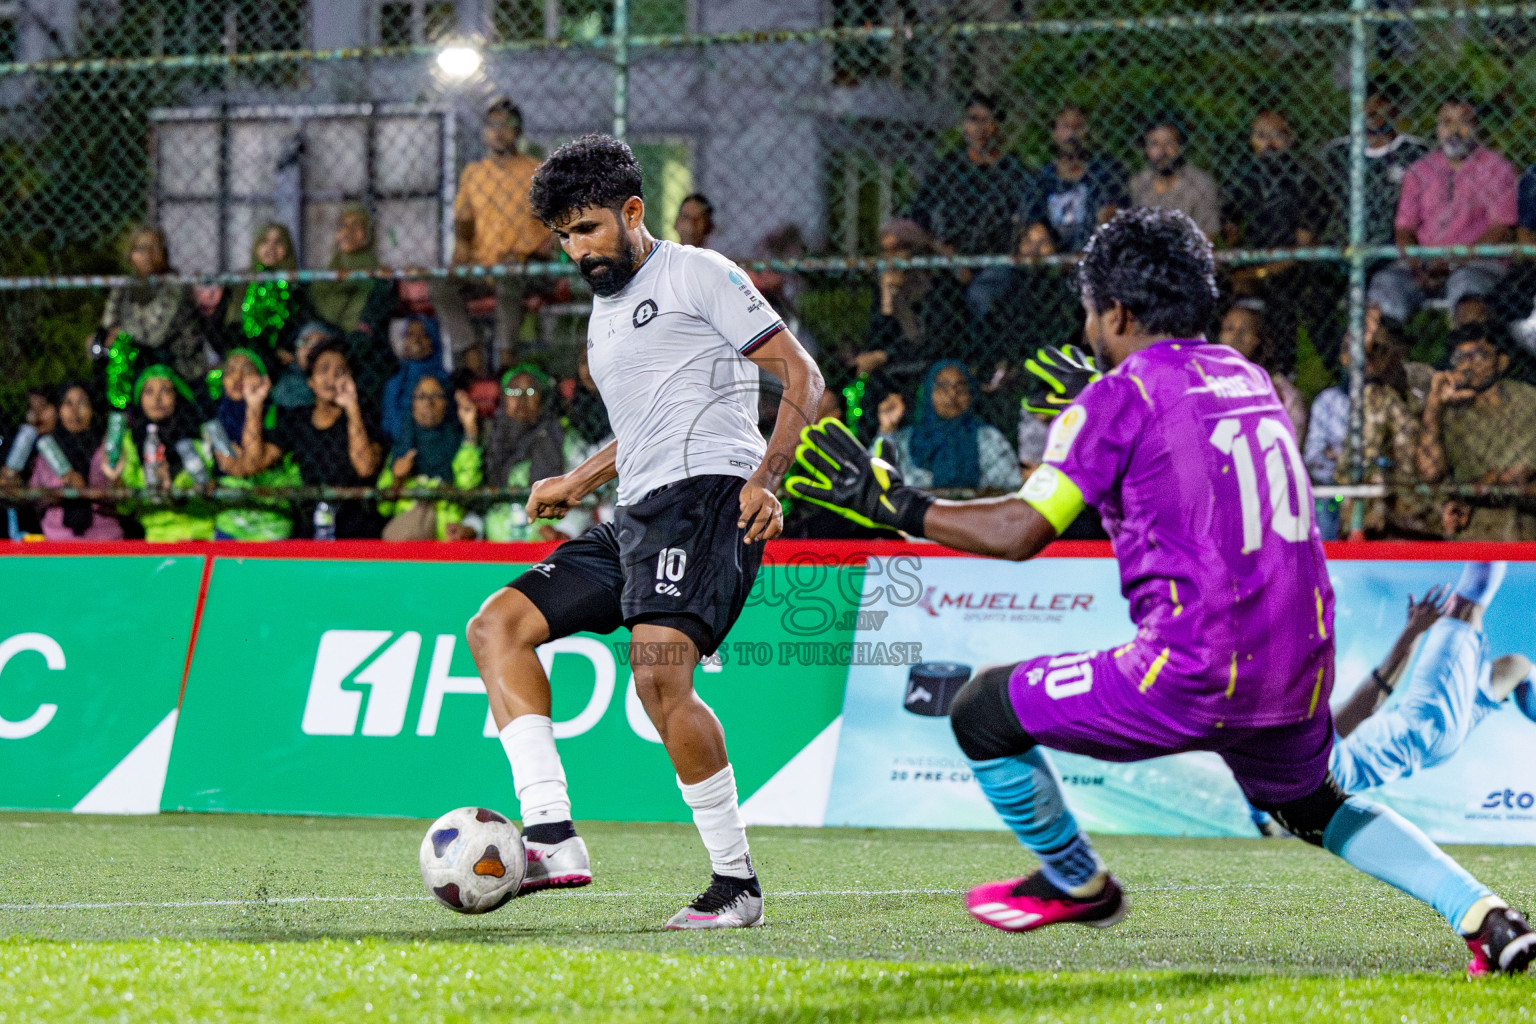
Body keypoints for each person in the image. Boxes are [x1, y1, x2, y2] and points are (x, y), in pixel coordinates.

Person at [785, 207, 1535, 976]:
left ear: (1115, 310)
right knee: (1314, 806)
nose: (1088, 327)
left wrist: (895, 506)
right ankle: (1486, 914)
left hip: (1194, 670)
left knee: (983, 711)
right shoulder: (1246, 378)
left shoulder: (1118, 399)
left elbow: (1019, 531)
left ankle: (1077, 881)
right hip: (1300, 664)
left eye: (1089, 312)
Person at [465, 134, 823, 929]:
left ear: (632, 211)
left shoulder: (698, 272)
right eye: (562, 237)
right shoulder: (603, 317)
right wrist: (578, 480)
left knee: (659, 677)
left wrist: (767, 478)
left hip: (708, 498)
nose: (576, 250)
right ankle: (552, 837)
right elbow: (651, 421)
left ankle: (736, 885)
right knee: (497, 627)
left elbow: (803, 375)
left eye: (587, 229)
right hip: (635, 512)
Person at [1332, 567, 1536, 794]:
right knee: (1465, 606)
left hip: (1429, 742)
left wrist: (1415, 631)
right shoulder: (1308, 752)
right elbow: (1368, 703)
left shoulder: (1303, 769)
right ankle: (1493, 542)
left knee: (1515, 666)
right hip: (1425, 725)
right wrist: (1414, 631)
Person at [430, 96, 551, 376]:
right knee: (439, 282)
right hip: (483, 265)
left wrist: (531, 254)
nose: (498, 131)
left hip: (525, 266)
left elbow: (557, 226)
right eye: (492, 125)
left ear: (518, 132)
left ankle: (504, 357)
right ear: (483, 131)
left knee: (509, 273)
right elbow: (464, 219)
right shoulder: (474, 173)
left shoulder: (536, 172)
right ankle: (470, 350)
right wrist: (461, 249)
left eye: (506, 125)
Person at [1370, 99, 1517, 324]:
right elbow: (1404, 227)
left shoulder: (1496, 168)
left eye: (1464, 122)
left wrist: (1452, 263)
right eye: (1447, 122)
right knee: (1384, 287)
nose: (1455, 130)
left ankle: (1466, 354)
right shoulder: (1420, 170)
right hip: (1424, 264)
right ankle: (1386, 354)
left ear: (1477, 126)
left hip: (1476, 263)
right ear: (1438, 128)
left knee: (1465, 285)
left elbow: (1501, 228)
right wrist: (1417, 265)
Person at [229, 337, 385, 539]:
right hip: (309, 528)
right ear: (311, 382)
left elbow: (364, 467)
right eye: (323, 370)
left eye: (341, 372)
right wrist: (254, 405)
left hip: (357, 529)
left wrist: (352, 406)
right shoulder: (297, 419)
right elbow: (252, 463)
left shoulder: (364, 419)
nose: (331, 377)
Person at [906, 93, 1031, 334]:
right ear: (964, 125)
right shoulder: (949, 168)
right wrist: (943, 251)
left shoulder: (1012, 170)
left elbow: (1026, 217)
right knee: (931, 294)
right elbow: (919, 215)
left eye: (987, 120)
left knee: (982, 295)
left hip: (996, 258)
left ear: (998, 126)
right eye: (973, 119)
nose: (980, 128)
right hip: (950, 257)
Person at [1223, 111, 1336, 373]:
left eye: (1277, 135)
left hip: (1290, 269)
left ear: (1291, 138)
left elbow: (1302, 250)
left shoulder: (1306, 181)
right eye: (1260, 136)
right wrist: (1239, 270)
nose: (1269, 144)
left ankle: (1286, 371)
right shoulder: (1242, 179)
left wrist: (1259, 273)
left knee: (1290, 294)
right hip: (1249, 265)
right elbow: (1231, 234)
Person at [1415, 321, 1536, 540]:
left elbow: (1523, 471)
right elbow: (1430, 473)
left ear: (1501, 361)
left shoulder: (1528, 401)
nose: (1468, 365)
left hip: (1526, 524)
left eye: (1478, 355)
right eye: (1460, 358)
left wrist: (1479, 489)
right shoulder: (1448, 412)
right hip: (1475, 528)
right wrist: (1434, 405)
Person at [102, 365, 215, 542]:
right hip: (157, 537)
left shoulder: (199, 435)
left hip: (201, 534)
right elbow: (126, 508)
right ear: (139, 399)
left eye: (165, 391)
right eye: (148, 391)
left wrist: (181, 486)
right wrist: (116, 482)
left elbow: (212, 488)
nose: (157, 399)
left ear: (177, 396)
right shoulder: (129, 441)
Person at [872, 360, 1021, 492]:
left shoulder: (987, 438)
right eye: (942, 387)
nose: (952, 395)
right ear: (928, 392)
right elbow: (872, 481)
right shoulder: (901, 441)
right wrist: (887, 430)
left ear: (971, 395)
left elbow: (1011, 488)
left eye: (961, 388)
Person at [1320, 82, 1431, 248]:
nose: (1370, 111)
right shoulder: (1337, 152)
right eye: (1364, 104)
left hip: (1395, 248)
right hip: (1342, 246)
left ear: (1395, 109)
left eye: (1379, 104)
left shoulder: (1416, 152)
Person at [98, 226, 205, 394]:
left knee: (125, 348)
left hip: (174, 363)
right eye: (140, 248)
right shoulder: (123, 287)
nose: (147, 254)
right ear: (130, 255)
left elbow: (155, 335)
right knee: (112, 350)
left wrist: (123, 334)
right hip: (137, 359)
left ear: (164, 253)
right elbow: (108, 327)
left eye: (154, 248)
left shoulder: (176, 285)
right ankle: (118, 411)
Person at [309, 203, 399, 402]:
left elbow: (368, 328)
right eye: (343, 225)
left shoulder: (381, 278)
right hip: (325, 353)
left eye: (357, 225)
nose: (348, 232)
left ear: (368, 235)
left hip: (366, 357)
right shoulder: (321, 280)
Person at [208, 347, 300, 541]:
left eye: (247, 370)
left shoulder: (280, 418)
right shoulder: (216, 422)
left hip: (272, 525)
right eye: (230, 370)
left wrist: (254, 406)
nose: (237, 377)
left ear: (263, 379)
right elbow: (238, 468)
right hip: (230, 523)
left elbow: (250, 464)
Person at [377, 377, 483, 541]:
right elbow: (383, 508)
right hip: (409, 543)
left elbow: (468, 487)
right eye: (421, 397)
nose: (428, 403)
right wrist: (397, 480)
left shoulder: (459, 442)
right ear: (412, 404)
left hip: (449, 539)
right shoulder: (402, 448)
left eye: (436, 396)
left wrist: (470, 429)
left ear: (447, 403)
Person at [1018, 104, 1126, 254]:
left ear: (1087, 132)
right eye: (1065, 126)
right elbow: (1030, 217)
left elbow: (1108, 211)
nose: (1071, 133)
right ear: (1054, 132)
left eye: (1078, 127)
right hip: (1052, 250)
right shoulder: (1044, 177)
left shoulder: (1102, 172)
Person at [27, 382, 123, 541]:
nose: (74, 411)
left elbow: (125, 499)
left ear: (93, 409)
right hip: (57, 537)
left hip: (105, 537)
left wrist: (109, 485)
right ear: (59, 410)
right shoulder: (48, 450)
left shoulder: (109, 448)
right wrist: (61, 491)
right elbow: (34, 497)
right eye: (67, 403)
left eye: (82, 403)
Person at [482, 365, 566, 542]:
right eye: (513, 391)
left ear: (542, 399)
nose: (520, 398)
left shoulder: (562, 438)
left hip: (546, 538)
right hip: (495, 543)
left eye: (529, 390)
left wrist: (565, 529)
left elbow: (580, 493)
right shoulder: (491, 440)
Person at [227, 223, 313, 372]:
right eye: (265, 241)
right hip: (248, 354)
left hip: (287, 359)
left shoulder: (297, 285)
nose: (271, 248)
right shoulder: (242, 283)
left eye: (278, 242)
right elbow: (233, 328)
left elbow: (300, 325)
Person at [1217, 300, 1308, 438]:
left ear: (1257, 338)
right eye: (1229, 328)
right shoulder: (1208, 380)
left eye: (1244, 330)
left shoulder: (1282, 392)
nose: (1236, 337)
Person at [1128, 119, 1221, 239]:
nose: (1162, 150)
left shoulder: (1200, 182)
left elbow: (1207, 235)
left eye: (1169, 143)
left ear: (1180, 146)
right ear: (1146, 149)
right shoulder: (1138, 183)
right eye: (1154, 144)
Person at [381, 316, 448, 442]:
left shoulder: (445, 382)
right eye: (410, 334)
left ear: (434, 341)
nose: (416, 340)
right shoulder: (394, 384)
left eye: (424, 335)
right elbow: (389, 428)